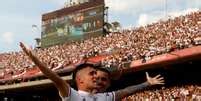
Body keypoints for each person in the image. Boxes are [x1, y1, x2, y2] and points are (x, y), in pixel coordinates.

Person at [20, 42, 165, 101]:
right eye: (92, 74)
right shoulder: (72, 96)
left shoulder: (105, 97)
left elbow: (127, 90)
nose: (96, 76)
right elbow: (53, 76)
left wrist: (147, 83)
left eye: (96, 73)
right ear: (80, 80)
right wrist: (35, 60)